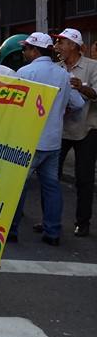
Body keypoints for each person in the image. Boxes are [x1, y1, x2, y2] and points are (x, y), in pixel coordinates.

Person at [11, 32, 85, 246]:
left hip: (28, 141)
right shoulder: (62, 74)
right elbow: (78, 104)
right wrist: (62, 112)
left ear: (35, 50)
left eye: (26, 48)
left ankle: (12, 231)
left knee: (18, 187)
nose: (24, 52)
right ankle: (52, 232)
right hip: (53, 141)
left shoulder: (25, 72)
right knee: (52, 187)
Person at [54, 28, 97, 237]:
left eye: (61, 42)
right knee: (51, 177)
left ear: (73, 45)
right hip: (61, 130)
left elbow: (96, 95)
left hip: (86, 130)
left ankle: (83, 222)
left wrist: (81, 88)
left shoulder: (92, 67)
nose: (58, 47)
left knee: (84, 178)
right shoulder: (56, 67)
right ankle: (51, 220)